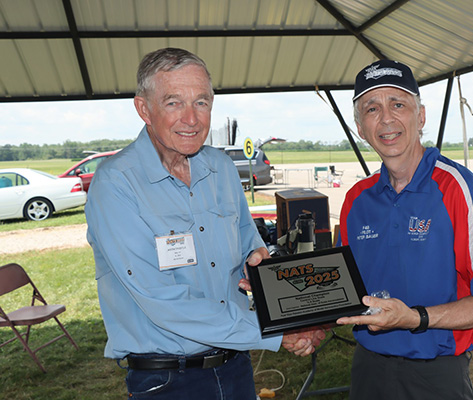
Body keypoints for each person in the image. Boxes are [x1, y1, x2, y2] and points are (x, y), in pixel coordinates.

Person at [85, 47, 324, 400]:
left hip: (235, 367)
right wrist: (275, 333)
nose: (192, 118)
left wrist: (265, 269)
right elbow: (162, 299)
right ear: (143, 109)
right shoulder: (116, 184)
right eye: (173, 103)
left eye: (201, 102)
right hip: (168, 380)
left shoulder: (222, 168)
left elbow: (248, 241)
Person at [335, 60, 473, 399]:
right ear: (360, 127)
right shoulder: (355, 202)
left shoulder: (457, 188)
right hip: (368, 370)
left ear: (420, 117)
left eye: (398, 104)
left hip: (437, 375)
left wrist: (415, 318)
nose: (386, 118)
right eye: (372, 108)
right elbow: (342, 293)